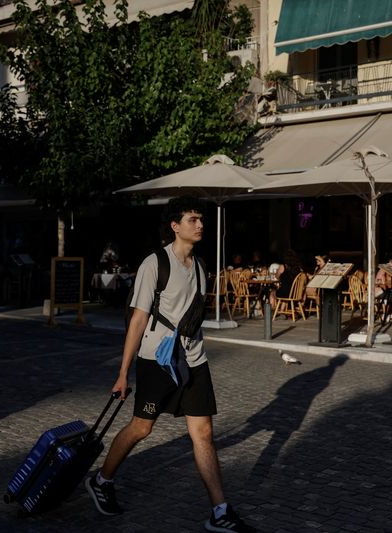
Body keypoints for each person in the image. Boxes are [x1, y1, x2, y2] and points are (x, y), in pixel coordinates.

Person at [85, 197, 254, 533]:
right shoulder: (155, 264)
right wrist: (123, 372)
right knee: (142, 428)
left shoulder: (202, 266)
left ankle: (220, 510)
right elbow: (137, 320)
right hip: (157, 361)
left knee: (203, 433)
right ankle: (102, 480)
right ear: (175, 225)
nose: (200, 225)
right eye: (193, 219)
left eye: (201, 219)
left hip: (193, 361)